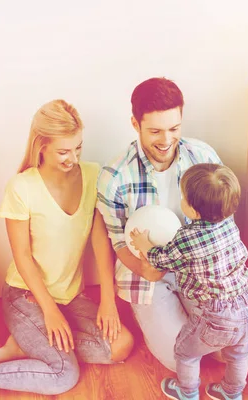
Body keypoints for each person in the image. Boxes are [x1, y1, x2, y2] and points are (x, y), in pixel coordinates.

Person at [0, 99, 134, 399]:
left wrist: (108, 302)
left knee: (121, 345)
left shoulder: (93, 175)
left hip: (71, 297)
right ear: (41, 146)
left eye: (78, 148)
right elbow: (21, 257)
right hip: (26, 294)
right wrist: (49, 311)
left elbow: (101, 242)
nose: (72, 158)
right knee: (63, 374)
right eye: (63, 151)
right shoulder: (21, 187)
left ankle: (27, 346)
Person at [96, 77, 223, 372]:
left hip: (196, 267)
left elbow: (222, 221)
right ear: (135, 123)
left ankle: (190, 317)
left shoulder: (203, 157)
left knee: (223, 351)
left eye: (174, 129)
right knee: (181, 360)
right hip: (147, 276)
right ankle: (163, 317)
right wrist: (145, 269)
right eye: (154, 131)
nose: (166, 140)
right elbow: (116, 240)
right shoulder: (114, 176)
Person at [129, 163, 248, 400]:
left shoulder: (187, 239)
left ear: (195, 211)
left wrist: (144, 244)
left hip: (216, 314)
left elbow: (161, 259)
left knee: (185, 352)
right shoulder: (229, 222)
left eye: (183, 198)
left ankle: (186, 392)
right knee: (239, 353)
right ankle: (232, 393)